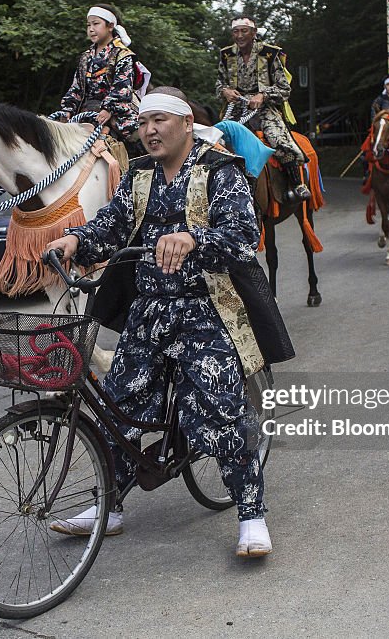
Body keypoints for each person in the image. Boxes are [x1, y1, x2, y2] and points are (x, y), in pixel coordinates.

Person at [45, 87, 290, 557]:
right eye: (142, 124)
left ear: (184, 123)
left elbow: (242, 237)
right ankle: (109, 508)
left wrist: (193, 238)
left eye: (159, 120)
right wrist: (76, 240)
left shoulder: (219, 169)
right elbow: (111, 225)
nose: (150, 131)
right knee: (119, 407)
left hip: (206, 309)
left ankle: (251, 515)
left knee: (221, 412)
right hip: (150, 310)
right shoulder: (138, 176)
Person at [216, 15, 311, 202]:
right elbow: (219, 84)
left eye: (244, 31)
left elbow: (284, 88)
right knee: (214, 141)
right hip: (236, 107)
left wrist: (263, 95)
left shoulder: (269, 54)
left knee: (277, 138)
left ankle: (297, 184)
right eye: (236, 31)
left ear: (254, 33)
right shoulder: (226, 55)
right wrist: (225, 91)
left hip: (265, 108)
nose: (240, 35)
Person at [59, 4, 144, 155]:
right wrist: (67, 109)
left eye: (96, 23)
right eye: (88, 25)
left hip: (117, 111)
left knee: (138, 137)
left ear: (110, 26)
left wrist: (108, 109)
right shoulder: (86, 57)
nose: (91, 29)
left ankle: (144, 170)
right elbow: (76, 87)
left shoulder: (123, 55)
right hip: (87, 111)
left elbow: (122, 88)